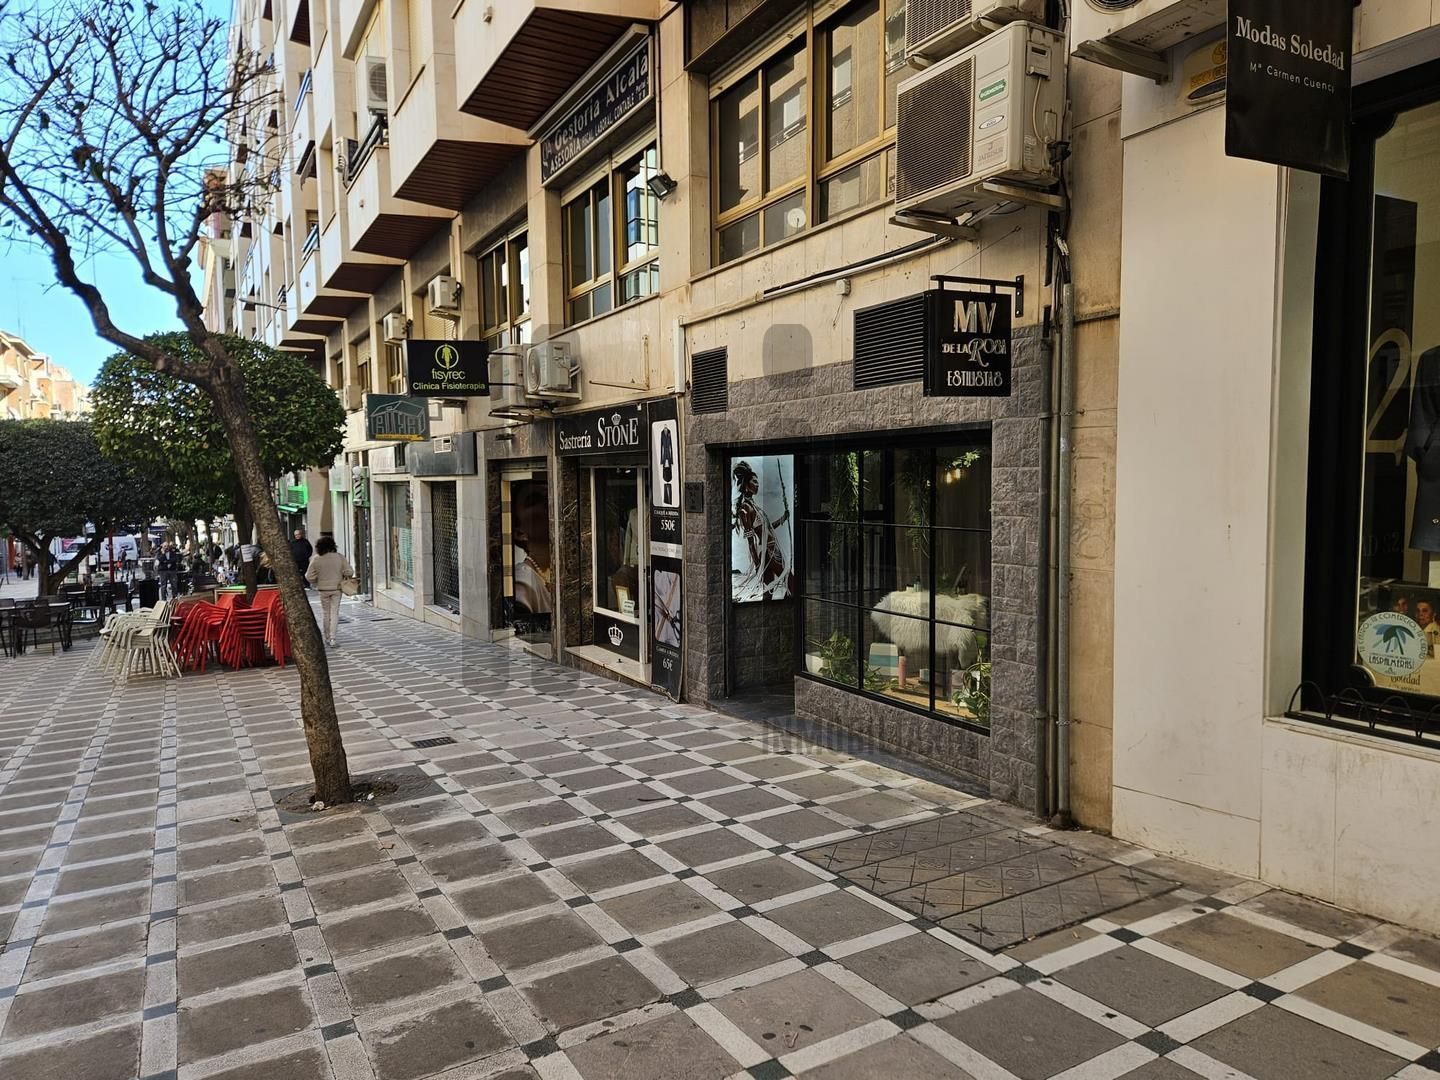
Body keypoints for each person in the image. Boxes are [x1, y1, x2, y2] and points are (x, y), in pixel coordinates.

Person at [732, 460, 792, 601]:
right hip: (768, 552)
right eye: (754, 481)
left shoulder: (754, 506)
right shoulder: (745, 509)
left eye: (758, 481)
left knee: (768, 592)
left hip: (770, 550)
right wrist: (758, 563)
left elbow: (767, 528)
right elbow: (750, 540)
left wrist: (783, 518)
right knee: (791, 581)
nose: (757, 484)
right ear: (746, 485)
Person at [305, 536, 353, 647]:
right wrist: (342, 573)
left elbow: (309, 576)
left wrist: (317, 580)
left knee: (325, 613)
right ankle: (333, 638)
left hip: (323, 589)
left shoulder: (316, 559)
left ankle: (326, 637)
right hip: (336, 589)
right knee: (334, 613)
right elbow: (349, 572)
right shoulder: (339, 557)